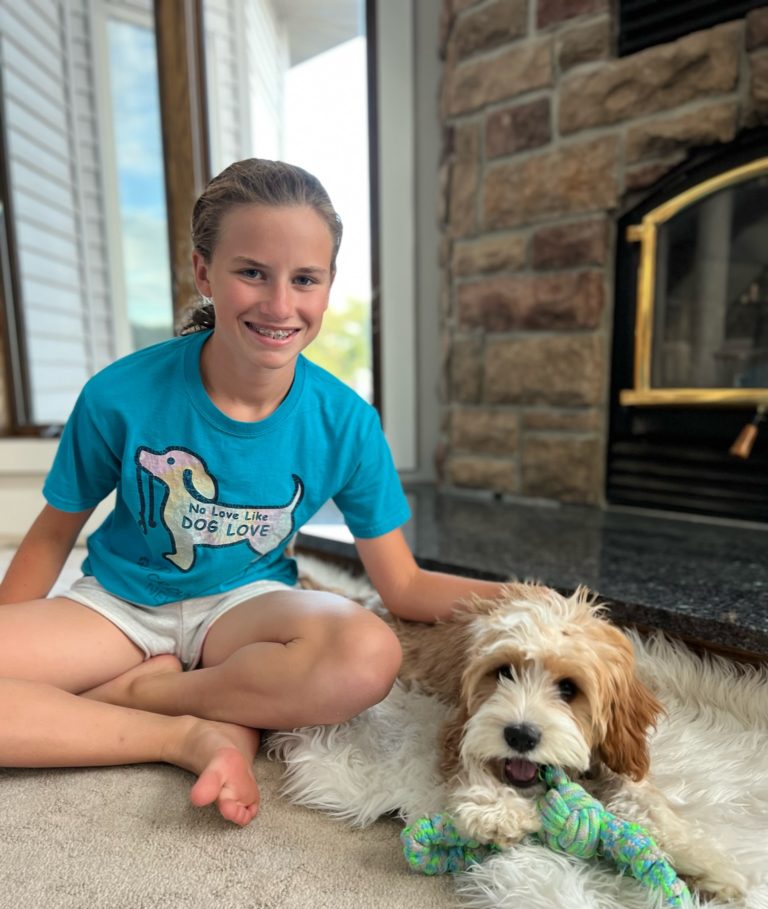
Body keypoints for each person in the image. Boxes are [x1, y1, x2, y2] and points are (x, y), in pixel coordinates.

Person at [0, 157, 506, 826]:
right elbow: (50, 537)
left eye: (305, 279)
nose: (280, 305)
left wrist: (528, 597)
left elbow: (404, 586)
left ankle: (152, 693)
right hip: (120, 603)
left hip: (247, 609)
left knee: (368, 653)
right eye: (252, 273)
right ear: (203, 271)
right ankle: (182, 735)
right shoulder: (118, 395)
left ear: (328, 286)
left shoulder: (346, 422)